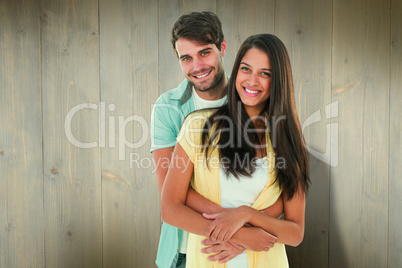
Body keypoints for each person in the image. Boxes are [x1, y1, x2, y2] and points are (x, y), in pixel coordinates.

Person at [161, 34, 310, 267]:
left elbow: (295, 232)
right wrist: (239, 236)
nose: (252, 81)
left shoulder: (288, 142)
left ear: (279, 81)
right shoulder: (198, 127)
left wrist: (247, 215)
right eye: (246, 69)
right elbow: (170, 208)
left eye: (265, 73)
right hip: (207, 260)